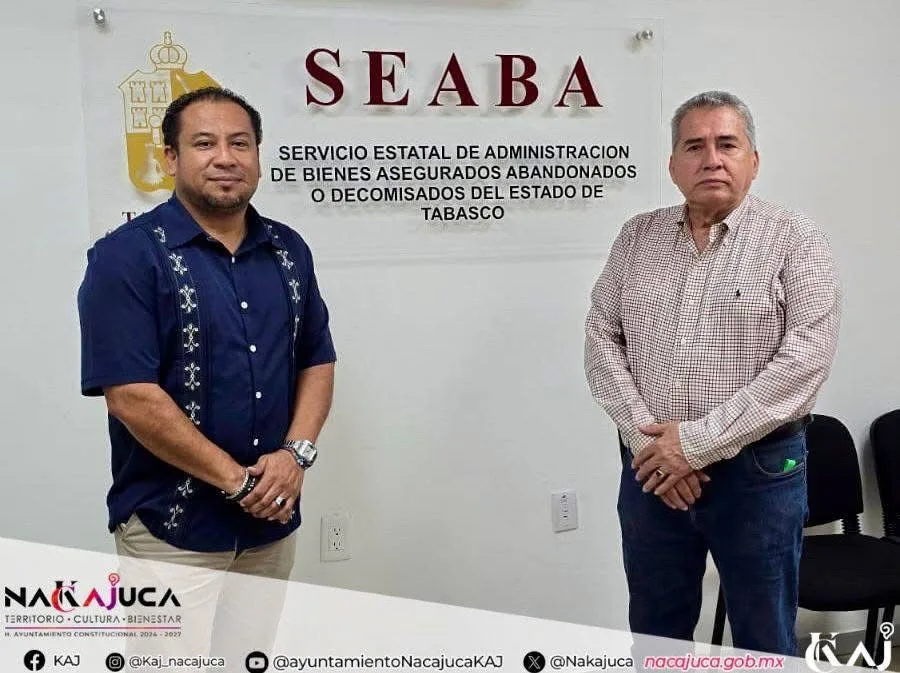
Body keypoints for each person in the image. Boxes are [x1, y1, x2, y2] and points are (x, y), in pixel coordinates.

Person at [78, 87, 336, 660]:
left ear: (258, 156)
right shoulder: (127, 257)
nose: (225, 157)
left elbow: (316, 359)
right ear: (170, 158)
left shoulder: (289, 251)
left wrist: (295, 456)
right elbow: (131, 396)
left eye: (240, 143)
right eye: (204, 143)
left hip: (270, 527)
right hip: (172, 530)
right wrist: (240, 482)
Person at [584, 90, 841, 655]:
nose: (712, 159)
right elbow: (601, 341)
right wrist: (653, 447)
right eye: (694, 146)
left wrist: (692, 446)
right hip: (652, 472)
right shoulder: (637, 238)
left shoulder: (796, 239)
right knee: (656, 628)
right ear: (672, 165)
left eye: (727, 144)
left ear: (754, 160)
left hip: (759, 472)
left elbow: (805, 360)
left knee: (763, 636)